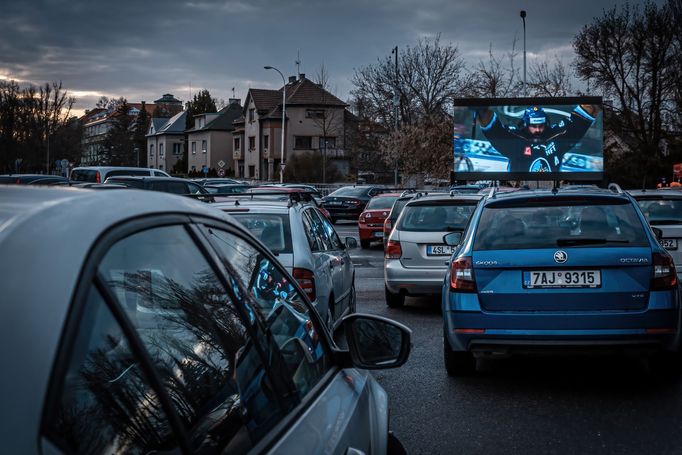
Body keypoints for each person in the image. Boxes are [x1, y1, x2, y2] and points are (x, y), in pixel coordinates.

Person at [476, 104, 599, 172]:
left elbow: (585, 114)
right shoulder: (515, 139)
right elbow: (494, 129)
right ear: (525, 124)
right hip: (516, 190)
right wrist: (480, 109)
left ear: (546, 123)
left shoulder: (556, 135)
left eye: (540, 126)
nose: (538, 130)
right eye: (533, 126)